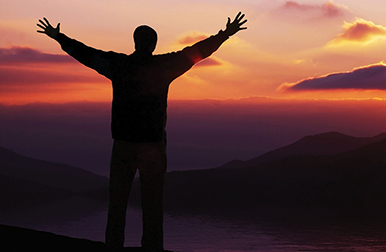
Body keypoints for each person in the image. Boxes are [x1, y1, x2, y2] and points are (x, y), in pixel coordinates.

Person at [37, 13, 247, 252]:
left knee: (117, 204)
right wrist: (225, 34)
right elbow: (197, 51)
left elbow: (87, 54)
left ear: (135, 42)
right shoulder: (164, 67)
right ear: (153, 44)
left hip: (123, 145)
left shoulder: (119, 66)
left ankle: (114, 246)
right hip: (153, 147)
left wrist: (59, 37)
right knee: (152, 205)